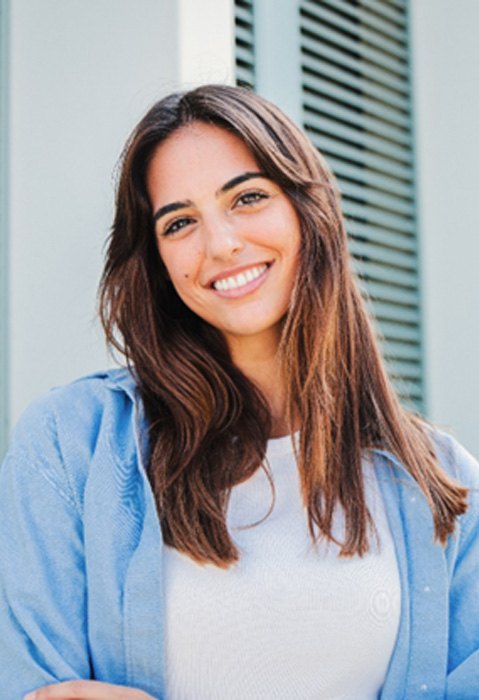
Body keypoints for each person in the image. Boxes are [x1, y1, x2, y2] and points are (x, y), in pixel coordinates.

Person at [1, 84, 478, 700]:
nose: (220, 244)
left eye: (248, 197)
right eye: (179, 223)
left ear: (309, 211)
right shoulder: (69, 447)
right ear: (157, 260)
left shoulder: (441, 482)